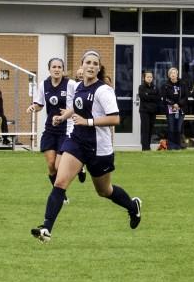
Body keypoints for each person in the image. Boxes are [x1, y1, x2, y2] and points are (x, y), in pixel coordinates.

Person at [30, 50, 142, 243]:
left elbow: (115, 118)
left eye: (94, 63)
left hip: (99, 149)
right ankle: (46, 228)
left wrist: (88, 122)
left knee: (104, 191)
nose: (91, 66)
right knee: (60, 182)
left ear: (99, 68)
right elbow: (77, 106)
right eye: (88, 62)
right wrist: (62, 117)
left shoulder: (103, 90)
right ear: (82, 65)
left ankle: (133, 207)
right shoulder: (80, 86)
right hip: (77, 142)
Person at [29, 58, 76, 178]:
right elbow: (39, 105)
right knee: (51, 165)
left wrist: (69, 112)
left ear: (63, 70)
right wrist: (33, 108)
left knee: (58, 166)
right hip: (50, 129)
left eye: (59, 67)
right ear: (49, 69)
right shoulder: (43, 85)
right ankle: (61, 196)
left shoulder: (70, 84)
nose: (57, 69)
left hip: (67, 130)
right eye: (54, 67)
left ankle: (79, 167)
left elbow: (80, 104)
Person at [160, 67, 186, 150]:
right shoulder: (165, 85)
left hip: (180, 109)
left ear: (177, 74)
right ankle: (171, 146)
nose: (173, 74)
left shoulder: (182, 84)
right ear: (169, 75)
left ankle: (178, 146)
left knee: (178, 128)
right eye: (171, 73)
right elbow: (164, 98)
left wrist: (178, 104)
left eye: (174, 73)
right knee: (171, 127)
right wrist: (172, 104)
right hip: (170, 109)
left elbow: (186, 96)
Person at [136, 70, 160, 151]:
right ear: (144, 78)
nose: (149, 78)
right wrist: (151, 96)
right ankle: (144, 147)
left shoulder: (155, 87)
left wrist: (149, 95)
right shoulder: (141, 87)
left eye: (151, 77)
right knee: (145, 129)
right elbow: (143, 97)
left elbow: (157, 98)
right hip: (144, 111)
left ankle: (148, 147)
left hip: (153, 111)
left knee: (150, 129)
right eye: (148, 77)